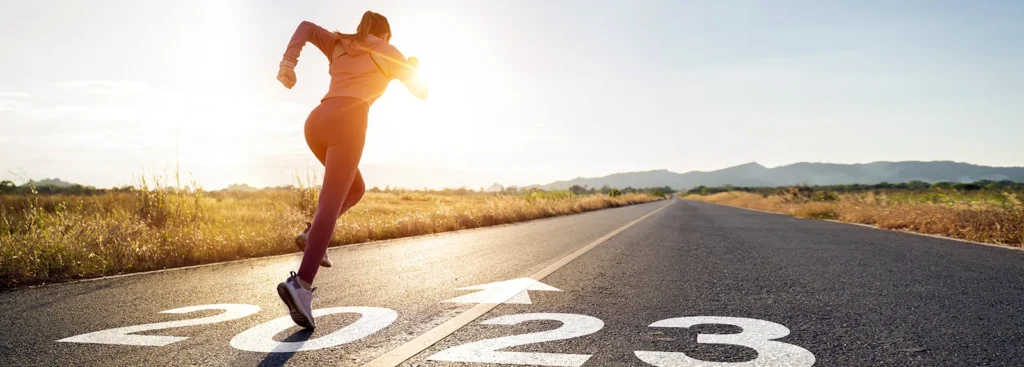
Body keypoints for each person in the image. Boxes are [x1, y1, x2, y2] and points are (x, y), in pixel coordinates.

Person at [275, 11, 427, 329]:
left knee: (355, 188)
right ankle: (301, 284)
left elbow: (304, 25)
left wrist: (287, 64)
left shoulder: (338, 42)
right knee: (329, 205)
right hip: (349, 122)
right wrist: (412, 69)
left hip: (316, 121)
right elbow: (421, 92)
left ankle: (311, 233)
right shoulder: (387, 50)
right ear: (385, 35)